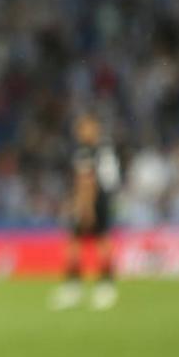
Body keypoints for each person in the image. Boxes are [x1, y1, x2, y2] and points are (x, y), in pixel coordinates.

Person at [51, 113, 121, 311]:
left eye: (83, 127)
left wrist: (85, 207)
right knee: (101, 240)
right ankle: (105, 286)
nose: (79, 132)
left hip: (91, 200)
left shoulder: (86, 151)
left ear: (93, 128)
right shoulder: (106, 148)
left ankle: (76, 287)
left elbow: (86, 180)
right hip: (105, 199)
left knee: (77, 243)